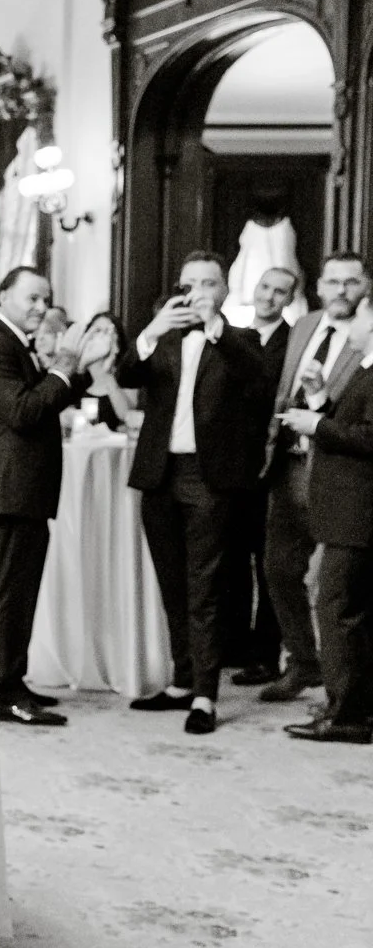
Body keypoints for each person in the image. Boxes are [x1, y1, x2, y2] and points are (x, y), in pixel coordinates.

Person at [117, 252, 266, 734]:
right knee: (172, 584)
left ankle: (205, 695)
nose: (198, 291)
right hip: (160, 474)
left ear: (223, 289)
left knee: (205, 590)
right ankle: (182, 680)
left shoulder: (241, 339)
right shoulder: (163, 336)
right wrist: (151, 331)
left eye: (208, 283)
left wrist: (215, 328)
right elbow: (125, 375)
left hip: (209, 478)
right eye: (190, 283)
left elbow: (256, 379)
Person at [0, 266, 111, 727]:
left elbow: (46, 399)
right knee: (12, 592)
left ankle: (13, 679)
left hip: (24, 487)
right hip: (11, 487)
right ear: (3, 295)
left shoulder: (14, 345)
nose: (40, 307)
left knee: (21, 589)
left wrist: (86, 371)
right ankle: (2, 691)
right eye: (31, 298)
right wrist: (65, 363)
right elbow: (25, 412)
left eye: (45, 299)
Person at [259, 253, 369, 703]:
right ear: (318, 287)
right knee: (279, 568)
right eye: (333, 281)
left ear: (365, 288)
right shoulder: (303, 325)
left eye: (351, 282)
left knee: (336, 587)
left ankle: (346, 686)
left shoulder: (366, 339)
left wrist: (319, 405)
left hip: (341, 472)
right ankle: (304, 664)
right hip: (288, 465)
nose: (341, 290)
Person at [276, 296, 373, 744]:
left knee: (336, 608)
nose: (352, 319)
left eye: (362, 312)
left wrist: (315, 424)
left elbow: (369, 437)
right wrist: (318, 398)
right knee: (343, 608)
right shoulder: (365, 368)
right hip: (346, 509)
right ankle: (349, 704)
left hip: (358, 511)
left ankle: (347, 713)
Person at [228, 266, 298, 686]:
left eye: (280, 292)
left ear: (290, 299)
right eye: (265, 287)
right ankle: (233, 645)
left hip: (271, 465)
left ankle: (266, 654)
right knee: (232, 559)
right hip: (229, 467)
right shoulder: (232, 336)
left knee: (268, 562)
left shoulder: (293, 343)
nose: (269, 297)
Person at [77, 311, 133, 430]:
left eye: (108, 332)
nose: (102, 336)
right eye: (97, 331)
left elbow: (126, 415)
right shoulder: (79, 372)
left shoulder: (127, 371)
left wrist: (108, 371)